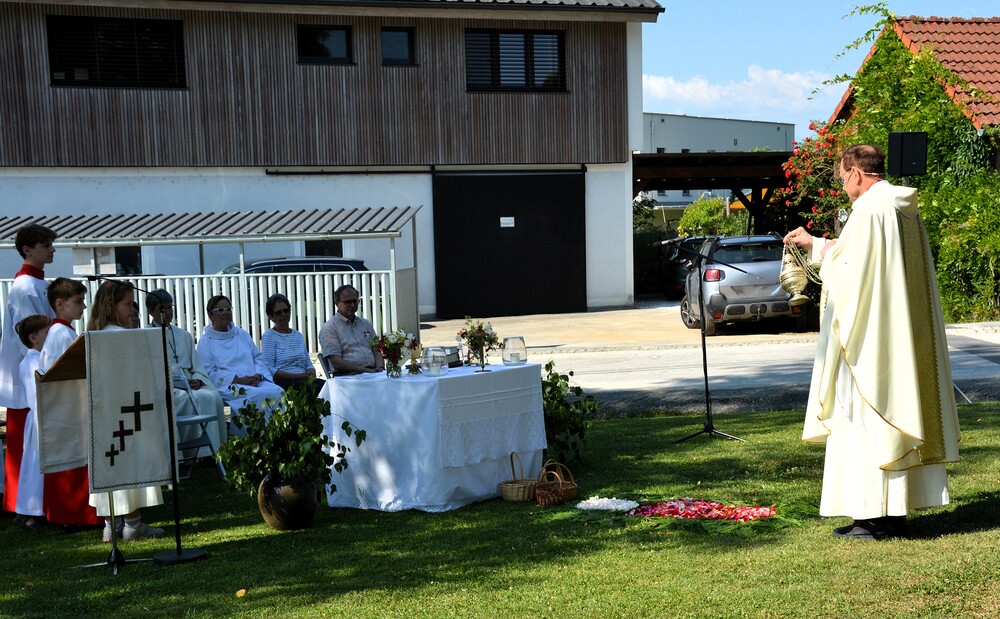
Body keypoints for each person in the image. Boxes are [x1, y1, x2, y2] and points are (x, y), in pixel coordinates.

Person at [784, 144, 960, 540]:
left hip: (870, 340)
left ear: (855, 173)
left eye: (842, 177)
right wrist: (817, 243)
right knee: (891, 416)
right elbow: (864, 260)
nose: (843, 185)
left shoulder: (868, 210)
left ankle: (872, 518)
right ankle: (894, 513)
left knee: (866, 420)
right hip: (899, 333)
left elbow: (849, 272)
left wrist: (817, 252)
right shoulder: (901, 207)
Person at [86, 280, 165, 541]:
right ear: (111, 305)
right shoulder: (121, 336)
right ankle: (133, 523)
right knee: (130, 461)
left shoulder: (94, 335)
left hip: (104, 414)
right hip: (128, 411)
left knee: (109, 463)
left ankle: (111, 525)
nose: (133, 309)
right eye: (128, 304)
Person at [37, 278, 102, 528]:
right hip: (70, 407)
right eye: (78, 301)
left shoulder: (60, 332)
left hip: (66, 406)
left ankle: (69, 515)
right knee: (75, 460)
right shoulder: (62, 334)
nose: (84, 306)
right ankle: (76, 515)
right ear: (60, 304)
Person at [1, 223, 57, 513]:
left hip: (41, 371)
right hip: (30, 377)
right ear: (27, 250)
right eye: (45, 245)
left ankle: (34, 503)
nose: (52, 250)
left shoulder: (38, 284)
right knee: (26, 448)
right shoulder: (25, 287)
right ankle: (21, 505)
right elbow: (31, 336)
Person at [145, 290, 227, 456]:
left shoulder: (183, 335)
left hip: (191, 385)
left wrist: (198, 380)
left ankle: (215, 451)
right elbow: (149, 372)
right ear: (151, 311)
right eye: (163, 309)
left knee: (213, 396)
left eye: (170, 307)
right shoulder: (145, 336)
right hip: (168, 388)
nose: (168, 312)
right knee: (199, 398)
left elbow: (197, 366)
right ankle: (197, 452)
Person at [195, 294, 283, 430]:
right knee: (254, 396)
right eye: (220, 310)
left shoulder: (241, 334)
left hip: (255, 381)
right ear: (210, 315)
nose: (226, 313)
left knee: (278, 392)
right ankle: (252, 437)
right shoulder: (205, 341)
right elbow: (209, 372)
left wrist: (259, 376)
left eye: (228, 309)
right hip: (230, 385)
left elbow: (258, 358)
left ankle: (278, 433)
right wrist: (237, 380)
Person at [12, 315, 51, 530]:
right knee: (35, 466)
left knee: (37, 465)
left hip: (40, 417)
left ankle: (33, 509)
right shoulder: (33, 362)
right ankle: (29, 511)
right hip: (39, 418)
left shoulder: (36, 360)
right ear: (33, 338)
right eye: (47, 332)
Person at [261, 293, 323, 392]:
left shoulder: (298, 335)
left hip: (303, 380)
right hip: (283, 383)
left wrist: (311, 371)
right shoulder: (269, 337)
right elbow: (269, 368)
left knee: (329, 387)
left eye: (286, 310)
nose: (283, 314)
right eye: (278, 312)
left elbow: (307, 363)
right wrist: (296, 376)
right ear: (271, 317)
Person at [319, 284, 384, 375]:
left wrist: (380, 368)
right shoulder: (329, 328)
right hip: (348, 376)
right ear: (337, 303)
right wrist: (367, 371)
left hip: (372, 373)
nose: (352, 305)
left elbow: (377, 349)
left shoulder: (366, 324)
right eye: (348, 302)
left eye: (355, 301)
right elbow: (336, 362)